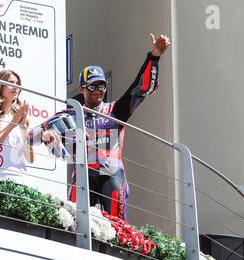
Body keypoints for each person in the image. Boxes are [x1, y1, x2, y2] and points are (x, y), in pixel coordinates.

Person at [68, 33, 170, 220]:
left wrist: (154, 57)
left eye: (101, 86)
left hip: (112, 172)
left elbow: (140, 89)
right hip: (83, 174)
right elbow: (42, 134)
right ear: (81, 88)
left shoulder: (115, 109)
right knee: (74, 221)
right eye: (92, 86)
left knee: (117, 225)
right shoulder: (72, 114)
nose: (98, 91)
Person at [0, 69, 57, 185]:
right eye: (10, 83)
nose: (15, 87)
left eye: (17, 84)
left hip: (20, 181)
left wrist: (23, 127)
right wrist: (13, 123)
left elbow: (30, 159)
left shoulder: (21, 116)